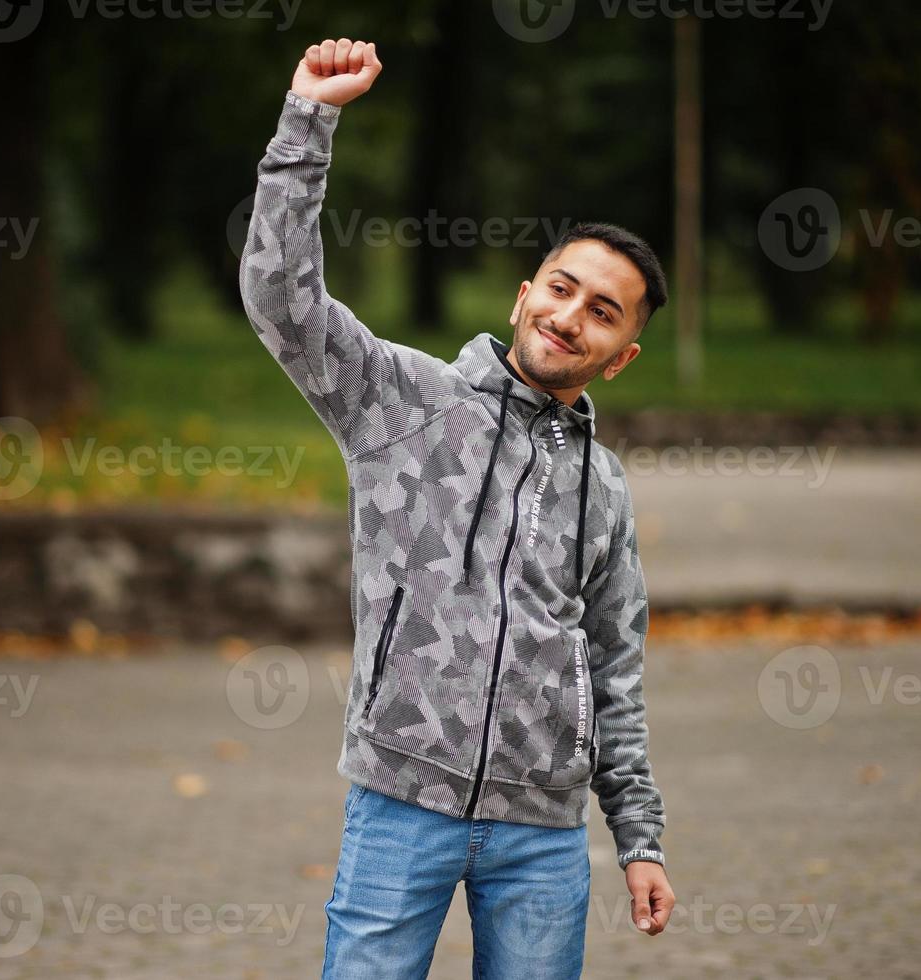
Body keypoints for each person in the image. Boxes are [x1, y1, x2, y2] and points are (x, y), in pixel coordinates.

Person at [239, 37, 675, 978]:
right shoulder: (404, 403)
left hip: (544, 838)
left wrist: (638, 838)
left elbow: (614, 668)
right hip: (402, 803)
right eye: (561, 290)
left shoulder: (601, 487)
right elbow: (281, 298)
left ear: (622, 353)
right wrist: (308, 121)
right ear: (525, 297)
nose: (571, 316)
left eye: (603, 311)